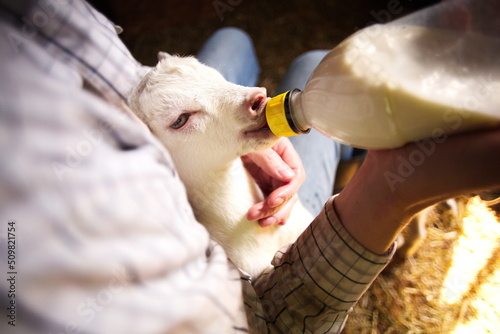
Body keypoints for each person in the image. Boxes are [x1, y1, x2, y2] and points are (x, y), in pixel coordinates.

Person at [0, 1, 499, 333]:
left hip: (224, 170)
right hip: (254, 231)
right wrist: (391, 194)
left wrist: (231, 135)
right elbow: (271, 323)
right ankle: (361, 158)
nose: (258, 97)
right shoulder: (45, 253)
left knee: (235, 39)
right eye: (181, 121)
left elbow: (135, 76)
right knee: (311, 63)